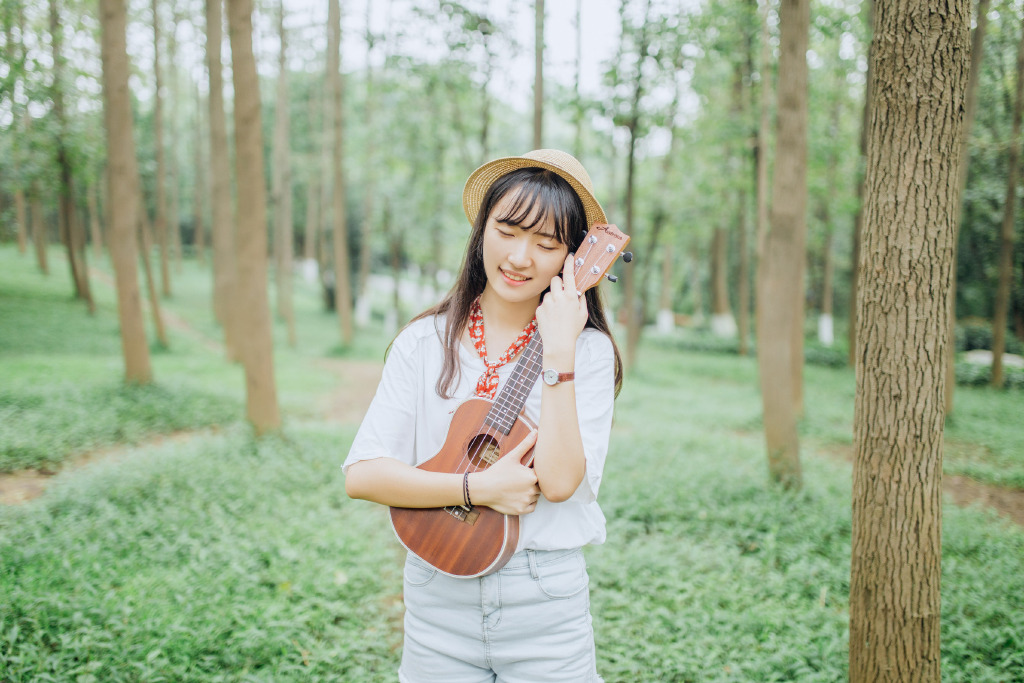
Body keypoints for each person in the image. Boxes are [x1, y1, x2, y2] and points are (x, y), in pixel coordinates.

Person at [343, 149, 623, 683]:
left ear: (573, 257)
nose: (521, 258)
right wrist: (477, 489)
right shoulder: (423, 342)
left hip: (545, 605)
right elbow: (363, 474)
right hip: (436, 597)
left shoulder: (587, 355)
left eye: (546, 244)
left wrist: (558, 352)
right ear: (481, 229)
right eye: (509, 230)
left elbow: (562, 482)